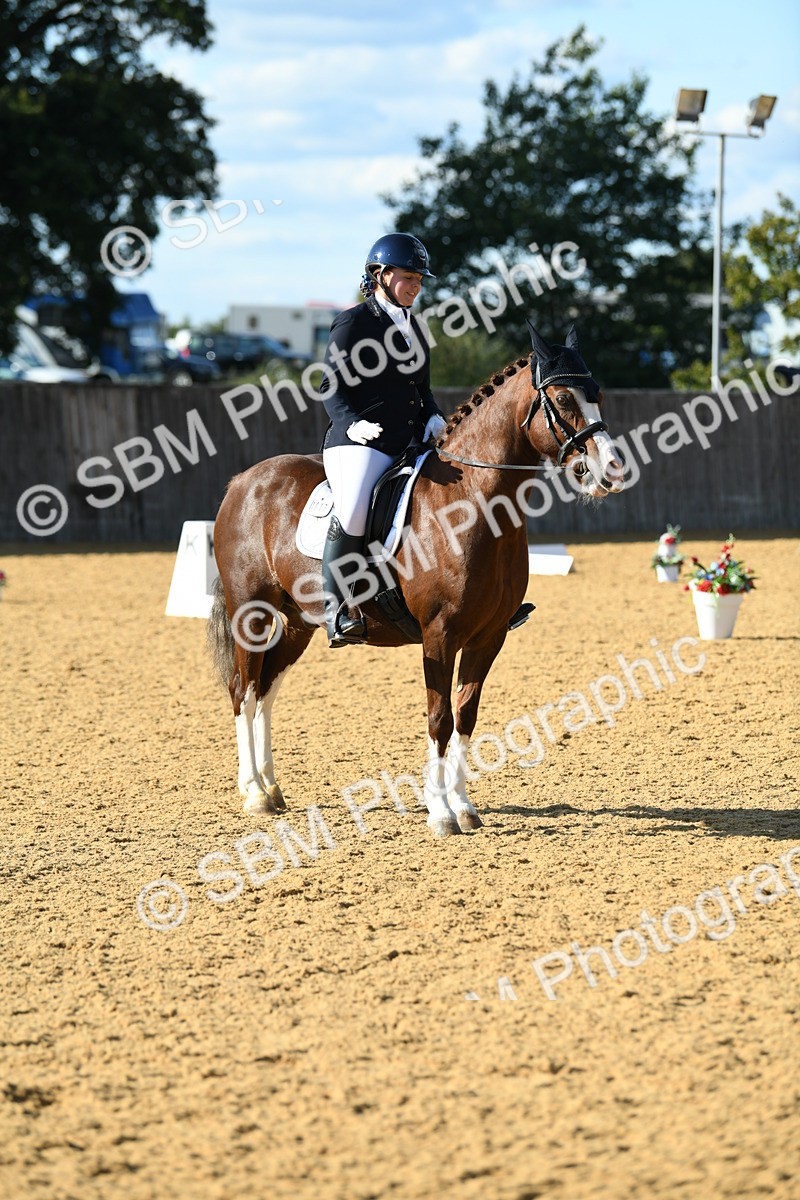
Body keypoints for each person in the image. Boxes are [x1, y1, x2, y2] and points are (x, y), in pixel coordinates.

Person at [319, 232, 447, 647]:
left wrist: (432, 416)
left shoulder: (417, 329)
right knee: (355, 506)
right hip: (358, 443)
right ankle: (336, 609)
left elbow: (422, 389)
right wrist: (352, 423)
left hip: (408, 442)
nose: (416, 286)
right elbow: (330, 385)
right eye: (409, 277)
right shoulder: (354, 321)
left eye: (420, 279)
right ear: (381, 274)